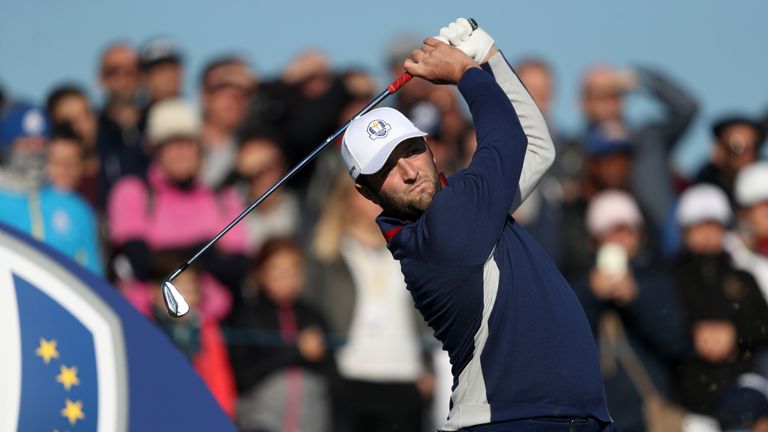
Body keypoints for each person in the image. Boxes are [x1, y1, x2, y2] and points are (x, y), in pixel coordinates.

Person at [340, 18, 614, 431]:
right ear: (366, 191)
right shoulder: (437, 235)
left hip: (572, 419)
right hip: (505, 421)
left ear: (429, 148)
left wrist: (487, 55)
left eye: (411, 151)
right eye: (388, 168)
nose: (410, 171)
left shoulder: (471, 206)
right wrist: (465, 73)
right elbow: (508, 140)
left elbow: (536, 148)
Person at [307, 169, 435, 432]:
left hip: (406, 377)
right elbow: (310, 311)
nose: (378, 199)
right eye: (369, 193)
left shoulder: (411, 247)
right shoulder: (326, 253)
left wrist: (428, 367)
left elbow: (427, 310)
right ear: (347, 198)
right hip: (349, 376)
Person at [107, 99, 248, 320]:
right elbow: (137, 260)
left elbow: (237, 266)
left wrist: (166, 256)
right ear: (156, 150)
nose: (182, 152)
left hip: (212, 324)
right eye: (171, 144)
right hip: (148, 320)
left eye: (188, 143)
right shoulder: (132, 192)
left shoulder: (223, 197)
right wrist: (205, 250)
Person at [572, 190, 688, 431]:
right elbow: (563, 344)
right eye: (611, 232)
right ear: (593, 240)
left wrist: (637, 298)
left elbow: (676, 343)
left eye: (627, 231)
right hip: (596, 416)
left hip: (648, 413)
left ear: (640, 235)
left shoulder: (657, 281)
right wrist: (589, 294)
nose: (620, 240)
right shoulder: (576, 286)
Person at [668, 184, 768, 416]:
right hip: (686, 391)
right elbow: (660, 325)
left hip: (740, 383)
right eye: (698, 226)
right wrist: (693, 335)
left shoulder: (741, 275)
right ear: (684, 231)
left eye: (713, 225)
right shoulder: (669, 276)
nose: (706, 233)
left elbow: (763, 322)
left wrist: (736, 333)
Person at [228, 238, 333, 432]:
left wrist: (319, 353)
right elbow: (244, 375)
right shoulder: (247, 316)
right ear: (259, 274)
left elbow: (331, 373)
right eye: (278, 271)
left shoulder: (312, 315)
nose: (288, 278)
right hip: (260, 421)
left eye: (294, 271)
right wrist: (297, 350)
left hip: (311, 421)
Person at [0, 126, 103, 275]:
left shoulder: (80, 210)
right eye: (57, 162)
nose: (66, 170)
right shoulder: (7, 202)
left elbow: (94, 275)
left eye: (73, 162)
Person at [148, 252, 237, 417]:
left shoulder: (207, 329)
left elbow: (221, 380)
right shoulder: (145, 332)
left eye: (191, 288)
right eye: (178, 289)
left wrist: (222, 418)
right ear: (153, 291)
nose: (186, 296)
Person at [95, 42, 149, 206]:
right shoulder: (93, 130)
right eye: (113, 72)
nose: (122, 79)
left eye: (129, 72)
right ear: (101, 79)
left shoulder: (153, 125)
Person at [199, 56, 255, 188]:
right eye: (222, 89)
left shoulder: (255, 146)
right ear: (204, 95)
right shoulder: (179, 141)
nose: (234, 99)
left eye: (244, 93)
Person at [694, 115, 765, 204]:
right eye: (737, 147)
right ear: (718, 152)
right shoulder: (700, 193)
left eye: (754, 147)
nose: (746, 155)